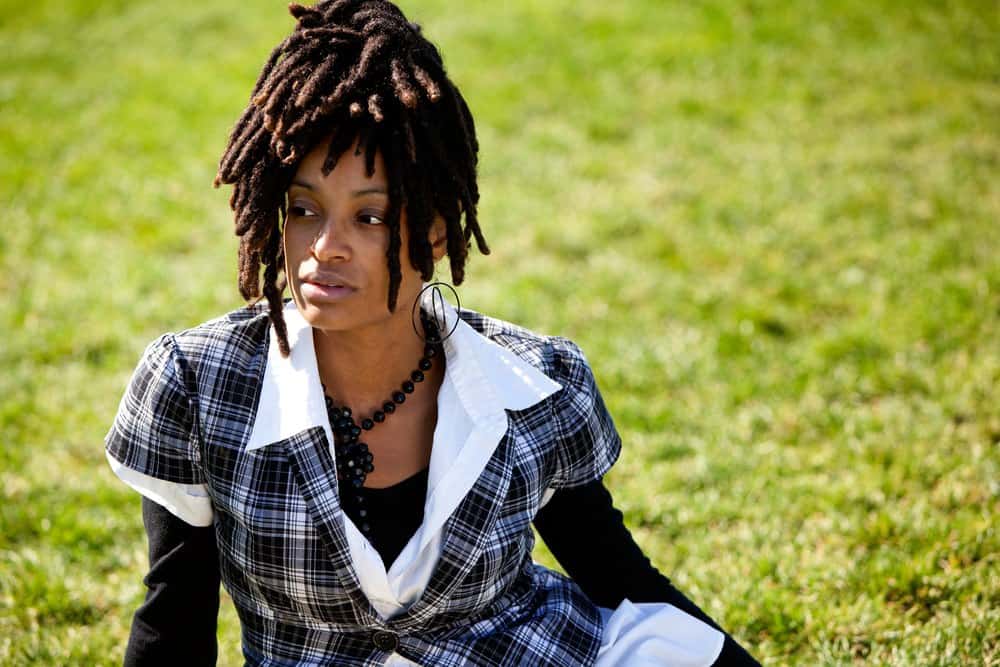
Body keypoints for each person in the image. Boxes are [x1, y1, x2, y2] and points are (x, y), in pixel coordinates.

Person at [105, 1, 759, 665]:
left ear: (438, 231)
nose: (325, 247)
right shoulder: (198, 385)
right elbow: (174, 620)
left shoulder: (533, 385)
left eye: (372, 217)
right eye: (305, 209)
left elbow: (622, 580)